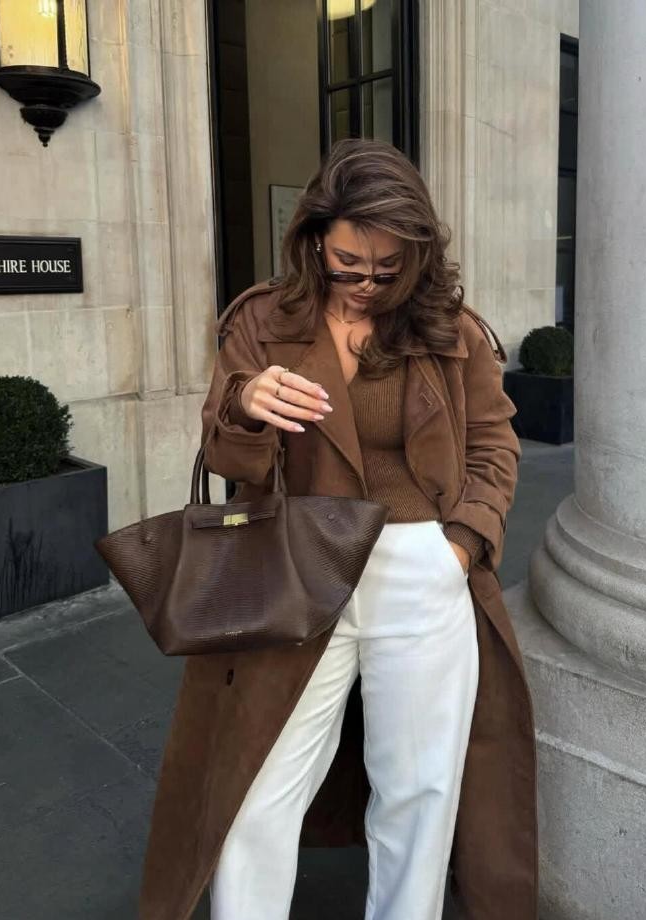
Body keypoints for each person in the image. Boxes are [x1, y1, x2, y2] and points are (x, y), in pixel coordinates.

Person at [139, 138, 538, 920]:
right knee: (255, 785)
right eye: (348, 263)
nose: (365, 285)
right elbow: (227, 455)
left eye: (387, 269)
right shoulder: (263, 321)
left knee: (418, 791)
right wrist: (245, 404)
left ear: (416, 256)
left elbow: (494, 444)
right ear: (315, 238)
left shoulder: (451, 329)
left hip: (421, 569)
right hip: (295, 569)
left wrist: (459, 548)